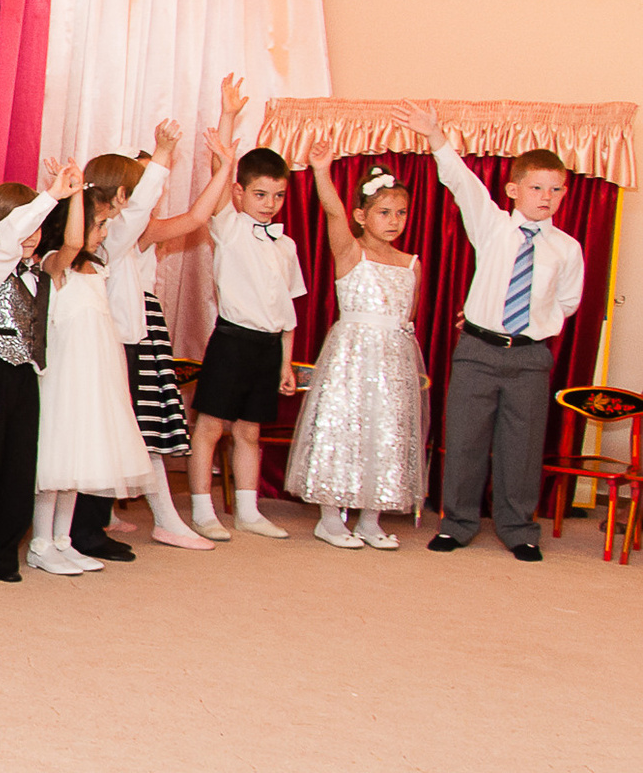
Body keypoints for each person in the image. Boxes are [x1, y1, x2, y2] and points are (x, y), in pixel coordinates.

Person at [397, 102, 586, 560]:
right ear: (513, 189)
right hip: (477, 352)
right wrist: (435, 136)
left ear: (564, 193)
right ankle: (456, 523)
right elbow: (462, 183)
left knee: (521, 447)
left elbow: (568, 302)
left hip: (529, 358)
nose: (546, 196)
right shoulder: (493, 226)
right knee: (464, 440)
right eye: (536, 187)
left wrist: (528, 327)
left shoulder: (567, 248)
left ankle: (519, 528)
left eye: (556, 189)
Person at [69, 102, 243, 552]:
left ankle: (98, 521)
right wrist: (164, 155)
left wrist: (223, 166)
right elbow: (159, 211)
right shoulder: (114, 235)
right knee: (117, 430)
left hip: (132, 336)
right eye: (138, 184)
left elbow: (195, 217)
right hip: (113, 339)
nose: (148, 193)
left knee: (130, 430)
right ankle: (98, 526)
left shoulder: (124, 235)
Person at [285, 142, 426, 548]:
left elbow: (407, 315)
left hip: (393, 359)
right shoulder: (350, 251)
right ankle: (330, 519)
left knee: (386, 432)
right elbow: (332, 211)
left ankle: (371, 518)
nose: (394, 220)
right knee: (344, 429)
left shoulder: (410, 262)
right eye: (384, 212)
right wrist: (321, 170)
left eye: (400, 212)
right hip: (353, 355)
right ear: (362, 215)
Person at [0, 166, 84, 582]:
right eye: (25, 223)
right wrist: (47, 195)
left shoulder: (41, 272)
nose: (32, 234)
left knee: (18, 467)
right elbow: (11, 237)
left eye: (38, 226)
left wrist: (70, 194)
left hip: (26, 375)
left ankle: (6, 551)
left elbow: (74, 242)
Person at [28, 183, 157, 576]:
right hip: (64, 373)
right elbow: (70, 246)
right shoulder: (53, 260)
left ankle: (63, 540)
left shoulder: (98, 267)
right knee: (57, 459)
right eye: (98, 224)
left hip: (95, 373)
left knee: (79, 461)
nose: (103, 232)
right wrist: (74, 196)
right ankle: (40, 542)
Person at [187, 145, 305, 541]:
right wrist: (229, 118)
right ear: (239, 193)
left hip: (268, 348)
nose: (270, 204)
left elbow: (287, 313)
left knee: (249, 432)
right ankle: (203, 511)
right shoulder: (230, 227)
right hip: (232, 342)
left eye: (278, 195)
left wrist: (285, 363)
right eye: (260, 194)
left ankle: (248, 510)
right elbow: (221, 169)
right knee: (209, 427)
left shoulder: (286, 246)